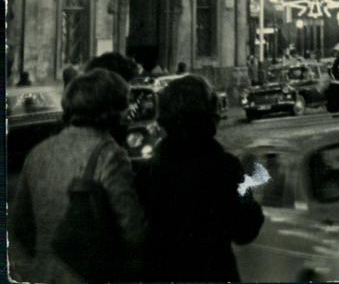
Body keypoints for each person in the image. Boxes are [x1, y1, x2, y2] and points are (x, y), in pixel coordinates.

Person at [10, 69, 147, 283]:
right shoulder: (109, 155)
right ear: (111, 108)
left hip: (44, 275)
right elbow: (132, 229)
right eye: (123, 104)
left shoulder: (38, 152)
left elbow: (19, 224)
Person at [137, 75, 263, 281]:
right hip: (213, 272)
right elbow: (245, 229)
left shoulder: (149, 172)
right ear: (211, 116)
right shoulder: (225, 168)